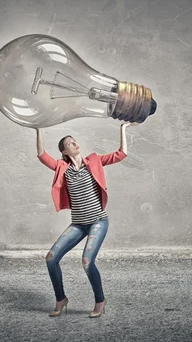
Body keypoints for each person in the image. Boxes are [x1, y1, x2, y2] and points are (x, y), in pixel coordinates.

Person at [35, 122, 136, 318]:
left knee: (87, 261)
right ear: (64, 151)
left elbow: (121, 154)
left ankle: (100, 300)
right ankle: (60, 299)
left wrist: (123, 129)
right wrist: (38, 129)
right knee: (51, 258)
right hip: (79, 224)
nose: (74, 143)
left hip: (98, 221)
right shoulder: (62, 168)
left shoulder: (94, 160)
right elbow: (42, 155)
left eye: (74, 141)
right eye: (69, 143)